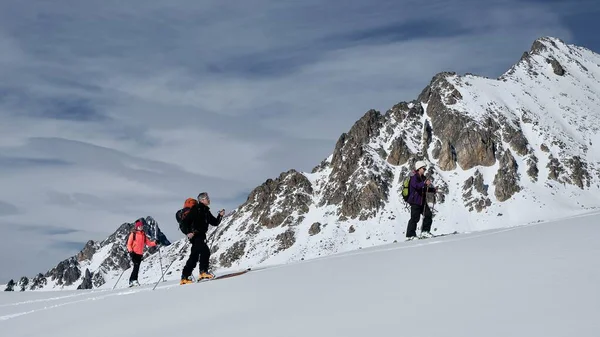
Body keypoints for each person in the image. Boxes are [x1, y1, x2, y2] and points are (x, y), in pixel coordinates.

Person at [179, 192, 225, 285]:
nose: (209, 199)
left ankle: (185, 277)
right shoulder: (196, 209)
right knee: (205, 251)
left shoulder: (205, 211)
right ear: (202, 200)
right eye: (207, 198)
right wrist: (188, 232)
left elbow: (214, 222)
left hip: (200, 235)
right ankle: (203, 272)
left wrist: (220, 216)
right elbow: (184, 223)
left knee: (194, 257)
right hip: (196, 235)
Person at [405, 160, 437, 240]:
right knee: (415, 218)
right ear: (419, 168)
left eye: (425, 169)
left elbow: (424, 188)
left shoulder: (423, 178)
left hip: (422, 201)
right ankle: (410, 235)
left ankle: (425, 232)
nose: (424, 170)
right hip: (415, 201)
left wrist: (433, 190)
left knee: (428, 214)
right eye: (423, 168)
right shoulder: (414, 177)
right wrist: (424, 183)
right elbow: (416, 186)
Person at [126, 220, 158, 286]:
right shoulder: (133, 234)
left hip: (140, 254)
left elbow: (148, 243)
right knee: (136, 267)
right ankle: (134, 280)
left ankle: (132, 281)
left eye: (141, 226)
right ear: (137, 227)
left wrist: (155, 243)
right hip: (134, 253)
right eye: (139, 226)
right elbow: (128, 244)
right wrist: (131, 252)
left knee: (137, 267)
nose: (141, 227)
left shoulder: (143, 235)